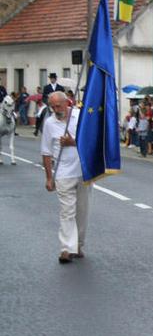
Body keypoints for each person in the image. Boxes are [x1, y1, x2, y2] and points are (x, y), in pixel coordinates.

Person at [40, 92, 90, 264]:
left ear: (66, 103)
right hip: (62, 173)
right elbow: (46, 152)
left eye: (58, 106)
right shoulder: (49, 123)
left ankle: (78, 245)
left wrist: (73, 142)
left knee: (82, 211)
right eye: (52, 107)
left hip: (83, 171)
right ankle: (66, 249)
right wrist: (49, 177)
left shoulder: (79, 116)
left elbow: (91, 140)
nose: (55, 110)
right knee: (67, 211)